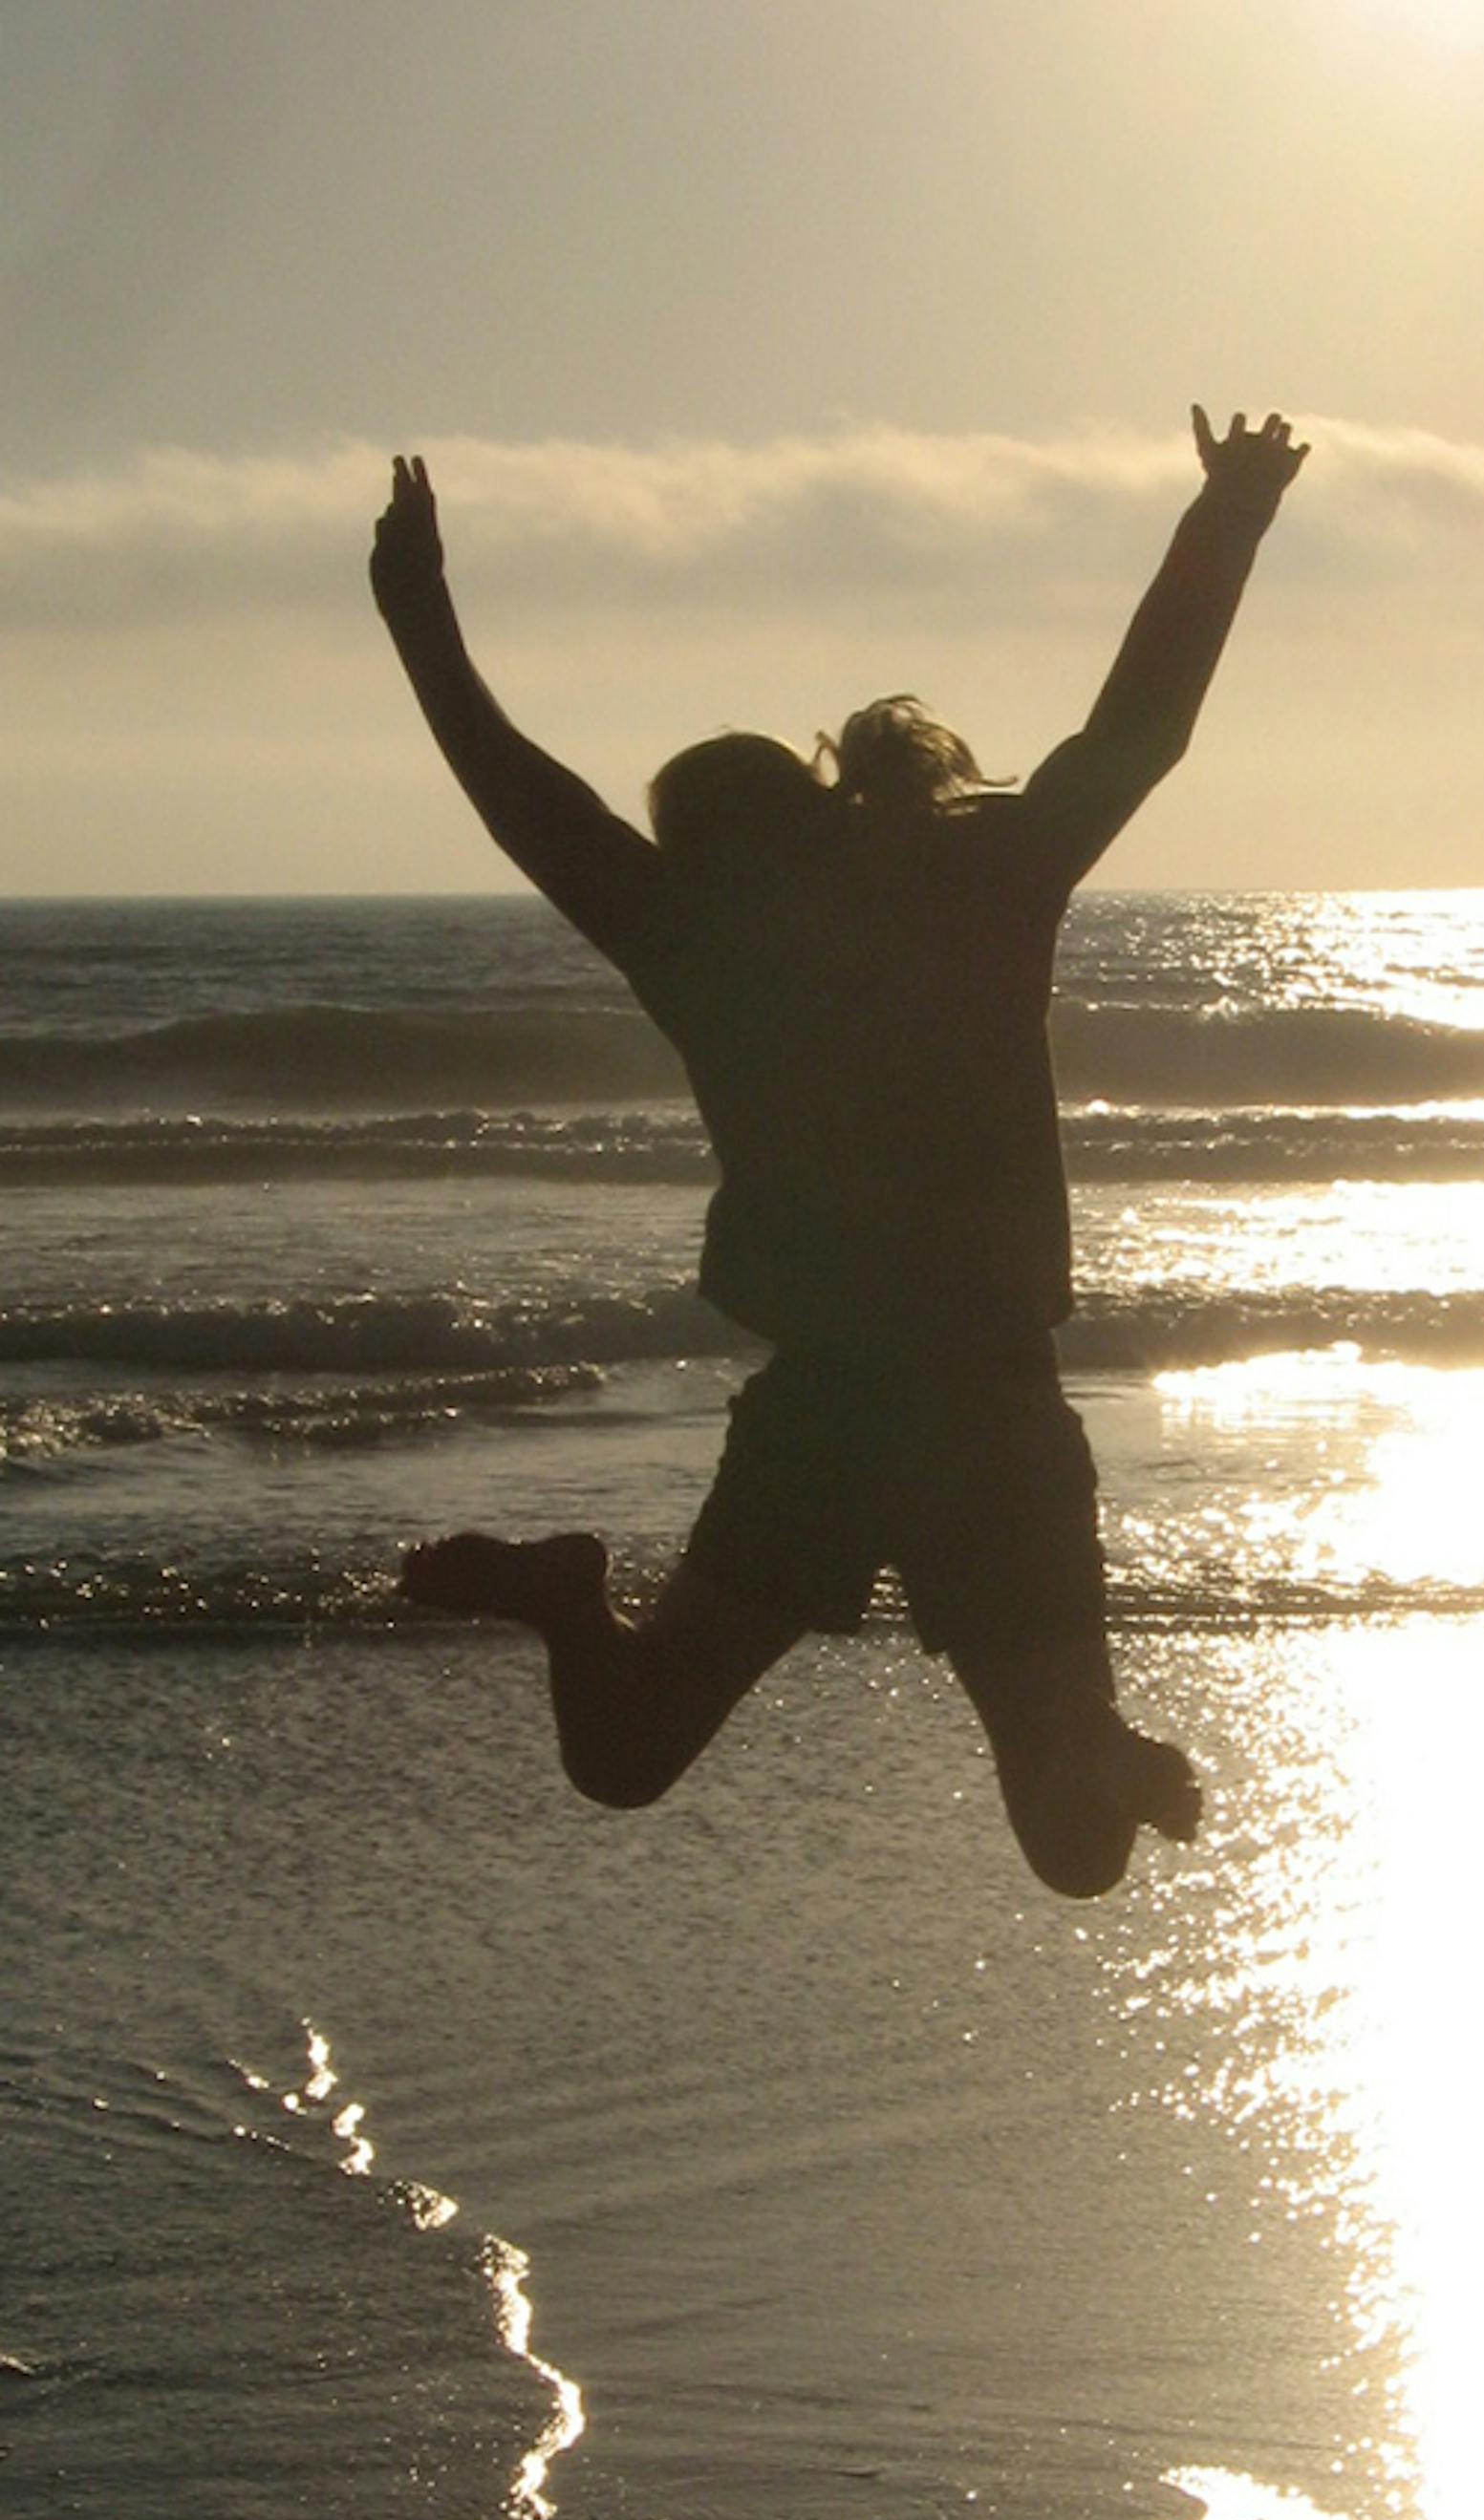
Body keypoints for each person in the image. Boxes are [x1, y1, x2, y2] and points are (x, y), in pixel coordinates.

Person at [371, 403, 1306, 1893]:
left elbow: (526, 806)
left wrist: (419, 620)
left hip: (836, 1415)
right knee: (1072, 1849)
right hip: (991, 1404)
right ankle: (1082, 1748)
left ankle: (568, 1601)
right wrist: (1231, 516)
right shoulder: (981, 881)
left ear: (704, 852)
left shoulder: (702, 942)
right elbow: (1137, 730)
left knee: (620, 1759)